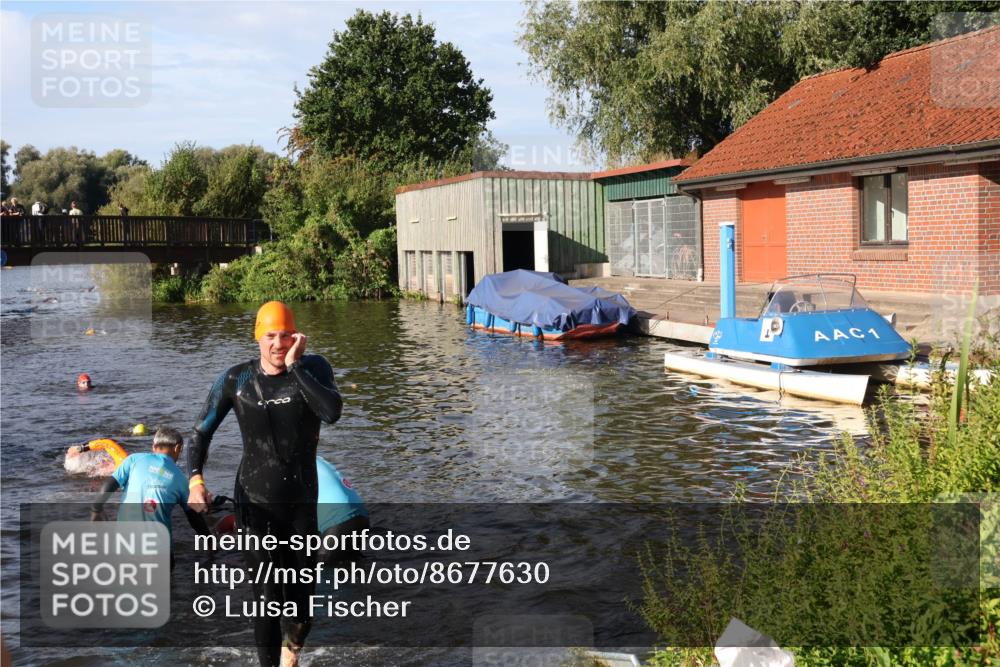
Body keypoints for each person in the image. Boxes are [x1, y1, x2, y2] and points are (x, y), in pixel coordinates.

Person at [188, 301, 342, 667]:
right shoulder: (235, 380)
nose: (278, 343)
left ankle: (292, 654)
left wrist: (295, 366)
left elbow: (331, 412)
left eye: (286, 335)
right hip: (254, 502)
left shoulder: (315, 368)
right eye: (270, 335)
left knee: (301, 608)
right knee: (267, 596)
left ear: (297, 337)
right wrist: (195, 481)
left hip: (301, 504)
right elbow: (199, 434)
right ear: (257, 336)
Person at [90, 427, 211, 565]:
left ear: (153, 446)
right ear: (177, 448)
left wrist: (96, 510)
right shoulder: (181, 479)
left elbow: (108, 487)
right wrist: (210, 543)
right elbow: (194, 518)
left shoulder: (133, 460)